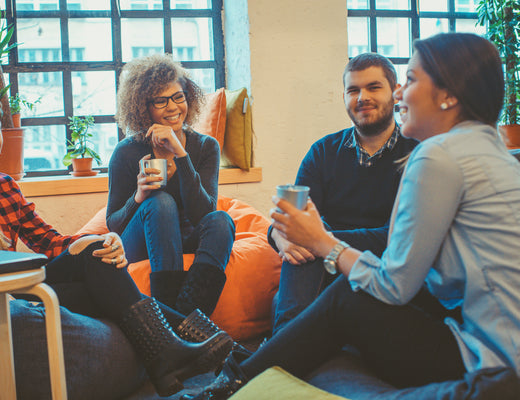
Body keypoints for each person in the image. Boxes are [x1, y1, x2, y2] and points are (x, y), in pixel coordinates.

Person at [185, 32, 520, 399]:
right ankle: (252, 369)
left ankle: (235, 380)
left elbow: (394, 283)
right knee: (313, 263)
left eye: (409, 80)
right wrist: (292, 235)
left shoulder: (435, 156)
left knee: (345, 293)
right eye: (353, 90)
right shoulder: (493, 152)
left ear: (449, 95)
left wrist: (324, 242)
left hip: (491, 365)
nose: (399, 94)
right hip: (480, 339)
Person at [0, 84, 233, 398]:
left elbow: (49, 241)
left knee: (96, 256)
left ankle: (171, 355)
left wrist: (104, 240)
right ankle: (203, 349)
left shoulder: (4, 185)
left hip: (12, 290)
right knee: (99, 274)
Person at [271, 53, 418, 334]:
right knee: (303, 239)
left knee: (310, 241)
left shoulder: (417, 153)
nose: (362, 97)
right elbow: (295, 218)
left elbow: (397, 236)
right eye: (353, 90)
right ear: (344, 97)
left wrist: (318, 239)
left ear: (395, 92)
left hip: (384, 268)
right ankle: (281, 351)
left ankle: (275, 355)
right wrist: (279, 234)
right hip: (323, 268)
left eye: (373, 87)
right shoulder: (323, 152)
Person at [108, 54, 236, 317]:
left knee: (222, 220)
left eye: (178, 97)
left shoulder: (205, 147)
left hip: (187, 236)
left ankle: (188, 319)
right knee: (160, 202)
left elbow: (204, 213)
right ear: (143, 107)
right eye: (160, 101)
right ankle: (170, 316)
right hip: (142, 240)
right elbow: (114, 224)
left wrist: (181, 153)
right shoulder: (127, 152)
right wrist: (139, 195)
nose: (172, 107)